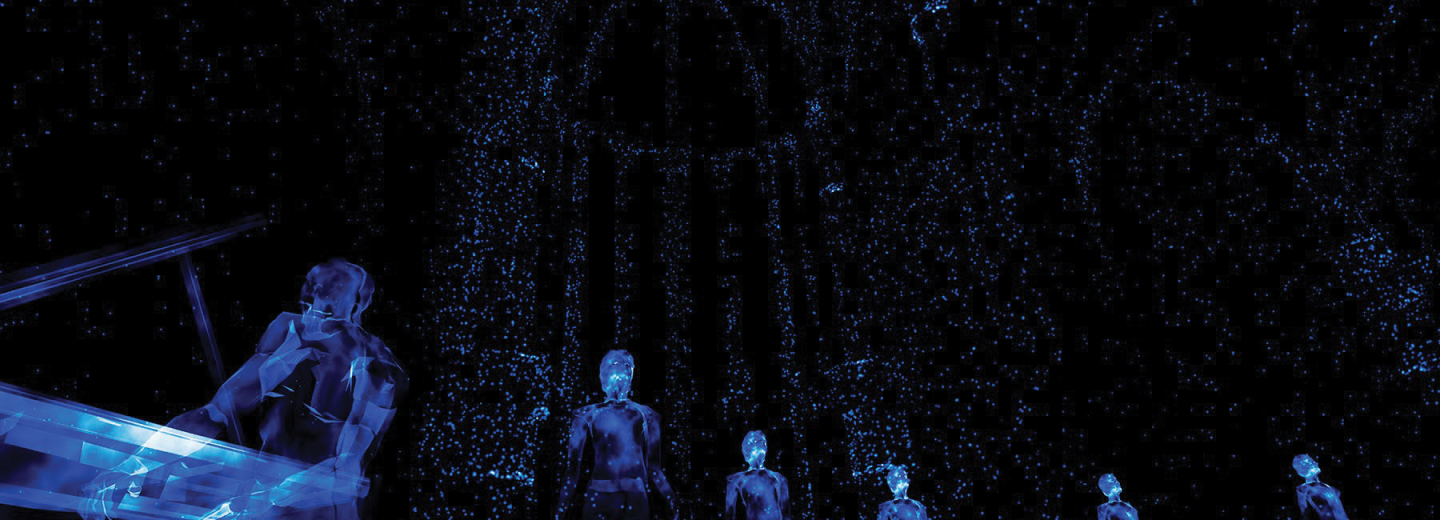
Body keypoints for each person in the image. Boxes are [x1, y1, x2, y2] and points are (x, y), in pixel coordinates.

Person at [80, 259, 407, 520]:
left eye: (326, 306)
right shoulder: (288, 334)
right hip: (259, 501)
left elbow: (344, 470)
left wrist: (252, 504)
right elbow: (214, 413)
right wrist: (134, 464)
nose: (312, 314)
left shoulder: (377, 370)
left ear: (355, 308)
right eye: (309, 301)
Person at [556, 350, 678, 520]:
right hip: (622, 496)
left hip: (609, 496)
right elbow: (654, 468)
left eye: (625, 366)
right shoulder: (645, 414)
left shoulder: (587, 414)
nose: (620, 370)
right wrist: (672, 500)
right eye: (615, 365)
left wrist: (560, 509)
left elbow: (572, 469)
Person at [723, 430, 790, 520]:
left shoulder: (779, 479)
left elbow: (786, 514)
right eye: (756, 442)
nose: (762, 445)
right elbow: (729, 514)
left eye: (763, 443)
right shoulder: (734, 480)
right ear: (746, 449)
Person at [1293, 454, 1351, 520]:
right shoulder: (1304, 489)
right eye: (1312, 462)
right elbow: (1304, 513)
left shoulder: (1327, 486)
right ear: (1304, 468)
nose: (1316, 463)